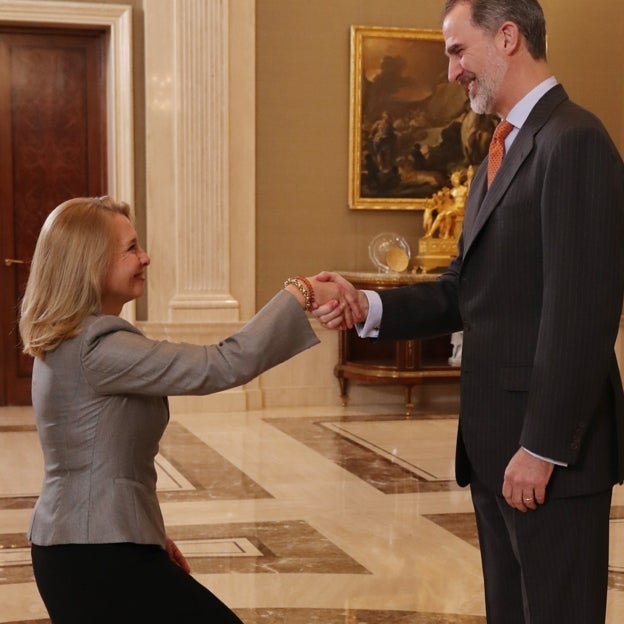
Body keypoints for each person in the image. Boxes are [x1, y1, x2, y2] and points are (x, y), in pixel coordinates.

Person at [314, 1, 624, 622]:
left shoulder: (576, 141)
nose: (451, 71)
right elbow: (464, 289)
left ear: (507, 37)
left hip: (548, 454)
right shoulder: (497, 154)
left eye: (457, 50)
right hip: (493, 447)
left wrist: (542, 448)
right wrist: (364, 304)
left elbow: (582, 312)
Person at [18, 195, 359, 624]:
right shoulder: (94, 346)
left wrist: (149, 535)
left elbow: (104, 461)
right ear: (90, 263)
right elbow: (220, 364)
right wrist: (300, 293)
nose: (145, 257)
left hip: (91, 545)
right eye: (130, 248)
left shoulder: (73, 339)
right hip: (94, 557)